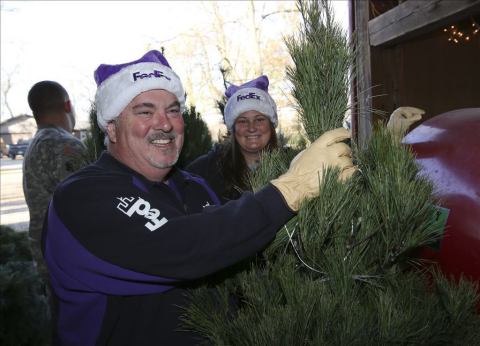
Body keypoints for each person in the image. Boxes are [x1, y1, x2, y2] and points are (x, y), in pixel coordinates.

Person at [42, 50, 355, 346]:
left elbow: (232, 256)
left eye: (173, 110)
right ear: (111, 128)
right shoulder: (81, 197)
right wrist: (292, 188)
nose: (164, 123)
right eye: (145, 111)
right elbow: (183, 249)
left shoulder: (194, 186)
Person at [23, 80, 86, 287]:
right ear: (67, 106)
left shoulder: (36, 144)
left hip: (49, 257)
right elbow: (87, 206)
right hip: (73, 263)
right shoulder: (65, 145)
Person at [187, 75, 278, 203]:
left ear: (271, 125)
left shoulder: (292, 165)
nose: (251, 128)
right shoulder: (203, 171)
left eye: (259, 119)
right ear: (233, 128)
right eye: (242, 121)